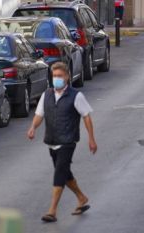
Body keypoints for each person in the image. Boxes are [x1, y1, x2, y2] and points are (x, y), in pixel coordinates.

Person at [27, 62, 97, 223]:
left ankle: (52, 211)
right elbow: (39, 114)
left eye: (60, 76)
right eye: (54, 76)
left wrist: (91, 139)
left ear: (67, 77)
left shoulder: (75, 96)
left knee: (59, 173)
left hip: (68, 141)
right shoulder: (47, 95)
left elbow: (86, 116)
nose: (57, 79)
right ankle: (81, 197)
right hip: (52, 140)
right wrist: (33, 128)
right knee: (65, 173)